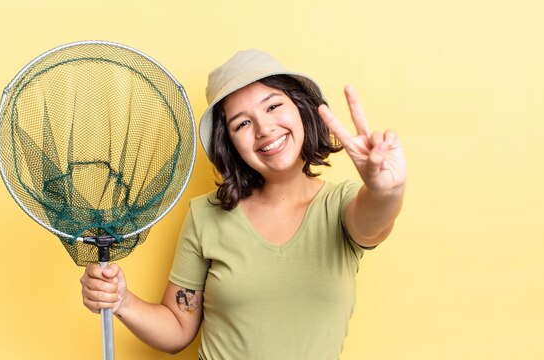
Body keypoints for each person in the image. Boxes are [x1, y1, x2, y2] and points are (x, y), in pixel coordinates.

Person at [80, 49, 406, 359]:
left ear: (301, 109)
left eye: (273, 106)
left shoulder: (340, 206)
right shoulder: (206, 216)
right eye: (242, 123)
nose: (264, 129)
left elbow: (374, 218)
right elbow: (178, 327)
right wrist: (121, 300)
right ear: (230, 144)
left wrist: (386, 189)